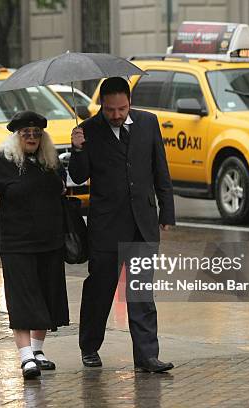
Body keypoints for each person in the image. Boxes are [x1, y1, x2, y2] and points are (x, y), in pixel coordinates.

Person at [69, 77, 176, 373]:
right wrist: (77, 149)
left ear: (129, 103)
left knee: (141, 293)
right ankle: (89, 346)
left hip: (142, 223)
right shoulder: (87, 130)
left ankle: (147, 357)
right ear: (102, 104)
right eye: (111, 109)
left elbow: (160, 169)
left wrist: (167, 212)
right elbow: (78, 177)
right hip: (106, 228)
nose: (116, 115)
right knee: (100, 290)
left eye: (122, 108)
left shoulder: (148, 123)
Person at [0, 111, 69, 380]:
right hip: (18, 243)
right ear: (17, 137)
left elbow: (65, 185)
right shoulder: (4, 162)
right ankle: (26, 356)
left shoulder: (49, 162)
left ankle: (38, 351)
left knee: (47, 298)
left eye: (37, 134)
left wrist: (76, 149)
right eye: (26, 134)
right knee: (23, 299)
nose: (32, 138)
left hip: (50, 241)